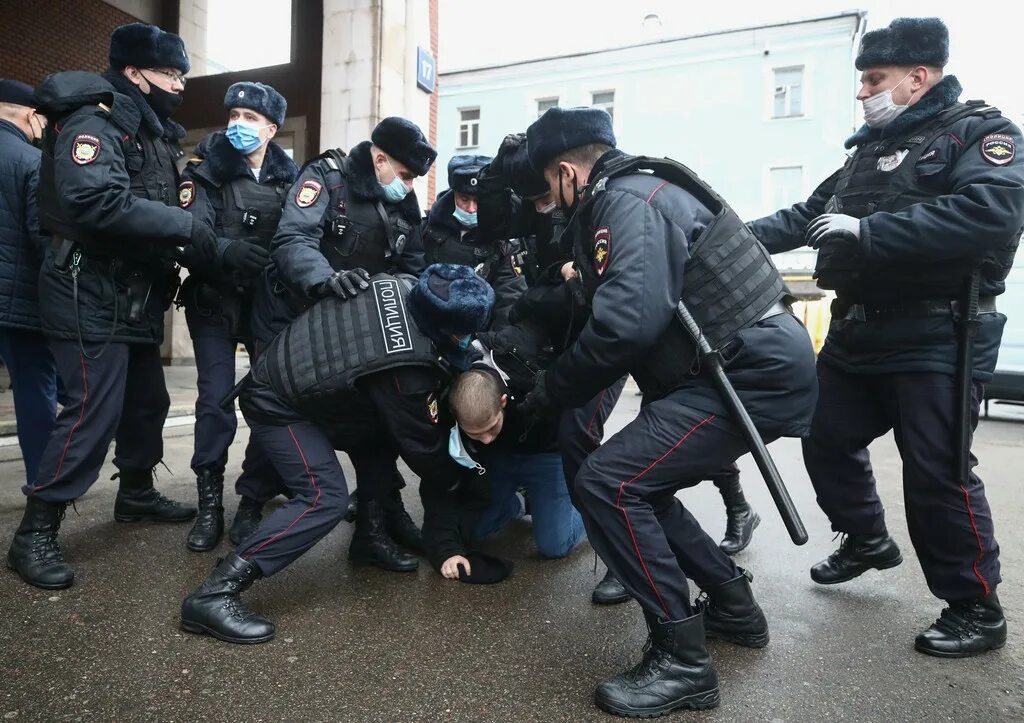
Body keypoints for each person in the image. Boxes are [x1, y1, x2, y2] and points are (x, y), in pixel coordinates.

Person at [521, 107, 818, 716]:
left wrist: (554, 388)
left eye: (549, 187)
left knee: (604, 483)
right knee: (638, 485)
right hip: (738, 366)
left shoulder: (624, 201)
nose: (550, 202)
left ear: (568, 172)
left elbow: (627, 320)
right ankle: (734, 608)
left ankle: (683, 662)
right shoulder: (636, 192)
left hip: (746, 371)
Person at [749, 17, 1023, 658]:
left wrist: (869, 234)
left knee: (937, 471)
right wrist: (721, 233)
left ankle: (975, 607)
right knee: (821, 431)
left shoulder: (983, 135)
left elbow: (990, 213)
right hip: (862, 329)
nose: (862, 91)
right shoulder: (865, 154)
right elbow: (803, 217)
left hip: (941, 330)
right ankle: (866, 538)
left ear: (917, 78)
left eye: (874, 79)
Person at [180, 264, 501, 643]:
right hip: (277, 402)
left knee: (378, 429)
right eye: (463, 334)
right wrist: (466, 478)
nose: (469, 341)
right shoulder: (406, 368)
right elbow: (425, 453)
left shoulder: (403, 285)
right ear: (443, 327)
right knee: (324, 497)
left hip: (303, 379)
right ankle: (214, 592)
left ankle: (369, 536)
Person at [5, 23, 212, 590]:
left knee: (147, 401)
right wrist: (187, 228)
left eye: (181, 74)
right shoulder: (93, 121)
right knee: (90, 411)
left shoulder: (150, 131)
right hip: (86, 287)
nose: (178, 84)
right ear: (133, 72)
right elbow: (94, 199)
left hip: (133, 293)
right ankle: (35, 532)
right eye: (171, 74)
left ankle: (136, 492)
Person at [248, 116, 435, 572]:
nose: (407, 186)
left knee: (376, 422)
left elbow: (412, 267)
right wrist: (325, 280)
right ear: (378, 159)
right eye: (405, 175)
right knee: (279, 414)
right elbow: (293, 240)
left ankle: (371, 531)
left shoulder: (404, 206)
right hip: (293, 318)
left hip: (354, 332)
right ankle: (249, 507)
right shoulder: (326, 179)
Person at [176, 81, 297, 551]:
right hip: (213, 300)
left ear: (271, 129)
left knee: (271, 399)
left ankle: (253, 498)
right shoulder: (203, 170)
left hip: (267, 303)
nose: (239, 125)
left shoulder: (291, 180)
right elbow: (188, 233)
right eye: (234, 116)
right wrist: (227, 251)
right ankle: (211, 506)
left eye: (250, 118)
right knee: (214, 402)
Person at [0, 79, 58, 490]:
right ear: (27, 114)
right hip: (18, 305)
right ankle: (43, 484)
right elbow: (45, 240)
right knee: (35, 391)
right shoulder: (30, 161)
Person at [422, 154, 527, 328]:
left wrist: (490, 345)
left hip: (477, 333)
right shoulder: (427, 229)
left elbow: (510, 298)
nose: (471, 209)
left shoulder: (504, 242)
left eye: (479, 201)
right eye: (464, 199)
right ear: (453, 193)